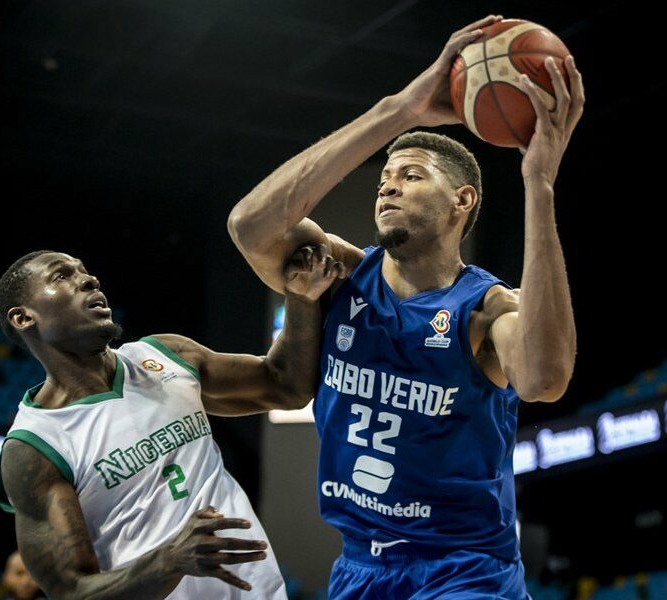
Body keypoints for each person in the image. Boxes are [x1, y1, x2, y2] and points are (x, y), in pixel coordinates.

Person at [227, 14, 583, 598]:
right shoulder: (340, 274)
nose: (387, 186)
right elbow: (250, 226)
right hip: (360, 568)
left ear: (461, 202)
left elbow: (544, 378)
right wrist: (398, 111)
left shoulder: (486, 309)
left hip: (464, 570)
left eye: (411, 176)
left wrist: (538, 184)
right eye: (384, 180)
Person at [0, 248, 337, 599]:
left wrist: (301, 299)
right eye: (61, 276)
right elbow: (71, 591)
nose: (89, 279)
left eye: (84, 270)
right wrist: (168, 561)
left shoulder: (164, 356)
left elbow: (286, 386)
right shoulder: (36, 446)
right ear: (23, 318)